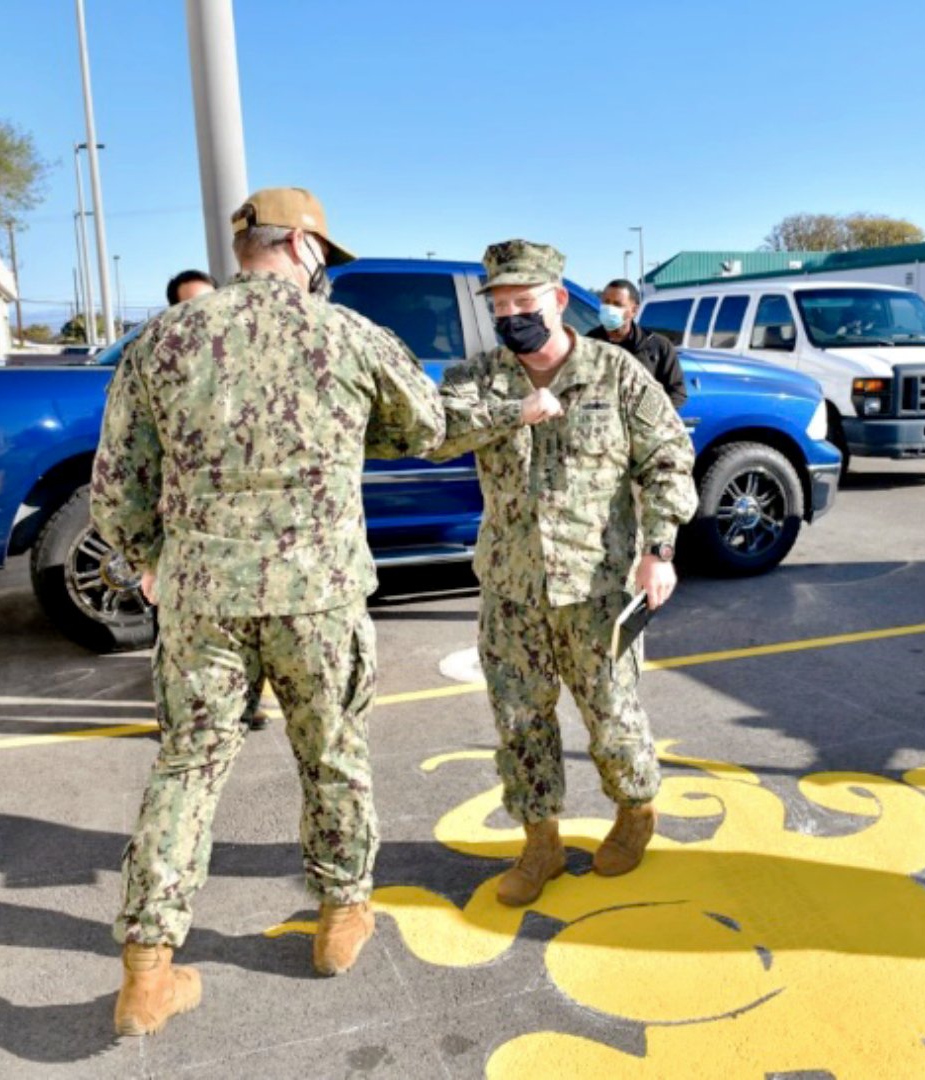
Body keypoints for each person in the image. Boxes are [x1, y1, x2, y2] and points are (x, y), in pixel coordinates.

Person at [92, 187, 445, 1036]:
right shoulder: (346, 334)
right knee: (333, 754)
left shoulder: (165, 339)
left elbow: (115, 490)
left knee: (187, 767)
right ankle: (340, 919)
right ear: (304, 249)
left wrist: (151, 561)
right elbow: (424, 425)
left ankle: (147, 969)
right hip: (316, 597)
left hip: (202, 599)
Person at [430, 240, 698, 908]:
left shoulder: (616, 373)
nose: (513, 314)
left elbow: (668, 459)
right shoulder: (477, 378)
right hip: (512, 588)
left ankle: (635, 812)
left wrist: (658, 550)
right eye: (501, 304)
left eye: (526, 302)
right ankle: (541, 842)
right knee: (520, 720)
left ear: (556, 300)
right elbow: (438, 436)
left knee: (611, 714)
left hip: (597, 588)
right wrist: (512, 413)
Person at [161, 268, 269, 733]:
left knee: (255, 615)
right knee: (176, 631)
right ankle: (173, 709)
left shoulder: (244, 360)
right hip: (185, 529)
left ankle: (249, 701)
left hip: (245, 527)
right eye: (191, 305)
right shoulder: (161, 362)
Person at [587, 278, 687, 408]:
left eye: (617, 304)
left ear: (634, 310)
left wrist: (648, 416)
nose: (610, 309)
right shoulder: (589, 344)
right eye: (606, 303)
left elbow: (677, 392)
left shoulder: (658, 346)